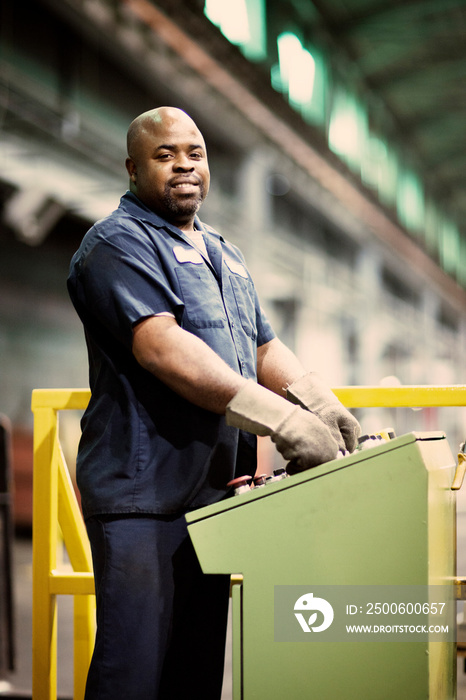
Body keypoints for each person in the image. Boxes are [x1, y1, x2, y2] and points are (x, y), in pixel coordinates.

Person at [67, 106, 360, 700]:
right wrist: (280, 418)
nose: (183, 166)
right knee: (133, 672)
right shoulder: (115, 246)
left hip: (216, 498)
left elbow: (262, 343)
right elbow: (162, 349)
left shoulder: (224, 253)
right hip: (141, 500)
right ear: (132, 167)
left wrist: (316, 400)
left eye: (194, 154)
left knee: (195, 671)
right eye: (164, 154)